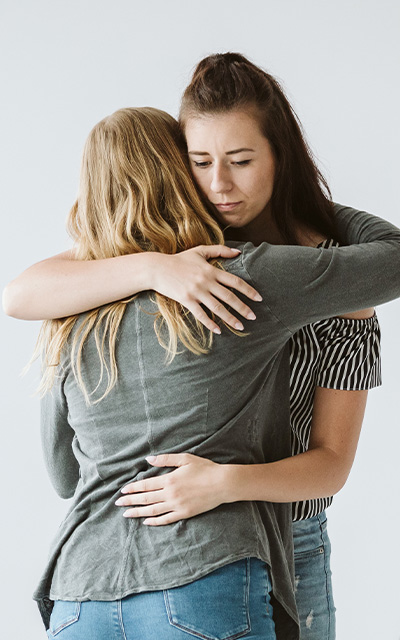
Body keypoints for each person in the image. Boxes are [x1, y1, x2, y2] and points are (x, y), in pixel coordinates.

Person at [3, 54, 384, 639]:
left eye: (241, 160)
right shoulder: (155, 265)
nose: (218, 185)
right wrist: (155, 266)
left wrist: (227, 482)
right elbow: (23, 291)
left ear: (279, 158)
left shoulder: (333, 288)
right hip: (193, 555)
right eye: (200, 163)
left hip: (285, 538)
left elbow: (331, 465)